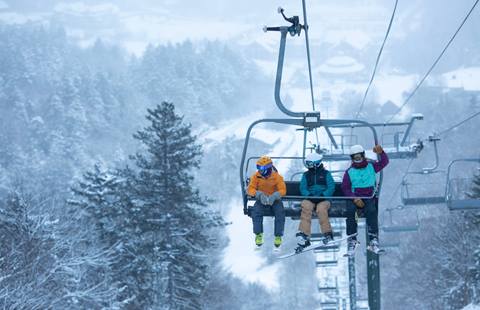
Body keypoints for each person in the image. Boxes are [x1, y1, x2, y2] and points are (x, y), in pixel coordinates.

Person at [342, 144, 389, 255]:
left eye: (359, 157)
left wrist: (381, 152)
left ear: (363, 156)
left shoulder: (371, 166)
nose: (358, 160)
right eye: (355, 158)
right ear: (352, 159)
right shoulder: (349, 172)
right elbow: (345, 187)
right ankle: (352, 239)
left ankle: (373, 239)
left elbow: (384, 162)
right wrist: (354, 198)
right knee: (351, 212)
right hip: (356, 197)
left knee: (371, 211)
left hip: (369, 196)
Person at [295, 152, 335, 252]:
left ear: (316, 164)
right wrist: (309, 195)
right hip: (310, 198)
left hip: (323, 199)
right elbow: (302, 187)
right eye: (308, 164)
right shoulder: (306, 175)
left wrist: (323, 195)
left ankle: (327, 233)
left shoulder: (326, 174)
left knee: (321, 209)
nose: (309, 166)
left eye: (310, 164)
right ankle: (305, 235)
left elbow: (331, 187)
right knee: (305, 206)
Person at [247, 155, 287, 248]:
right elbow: (250, 189)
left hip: (275, 200)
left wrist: (275, 195)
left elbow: (282, 190)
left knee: (280, 212)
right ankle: (258, 234)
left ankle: (278, 235)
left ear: (268, 168)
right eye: (258, 168)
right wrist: (259, 194)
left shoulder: (277, 177)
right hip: (262, 199)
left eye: (261, 168)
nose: (259, 170)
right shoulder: (256, 176)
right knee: (256, 211)